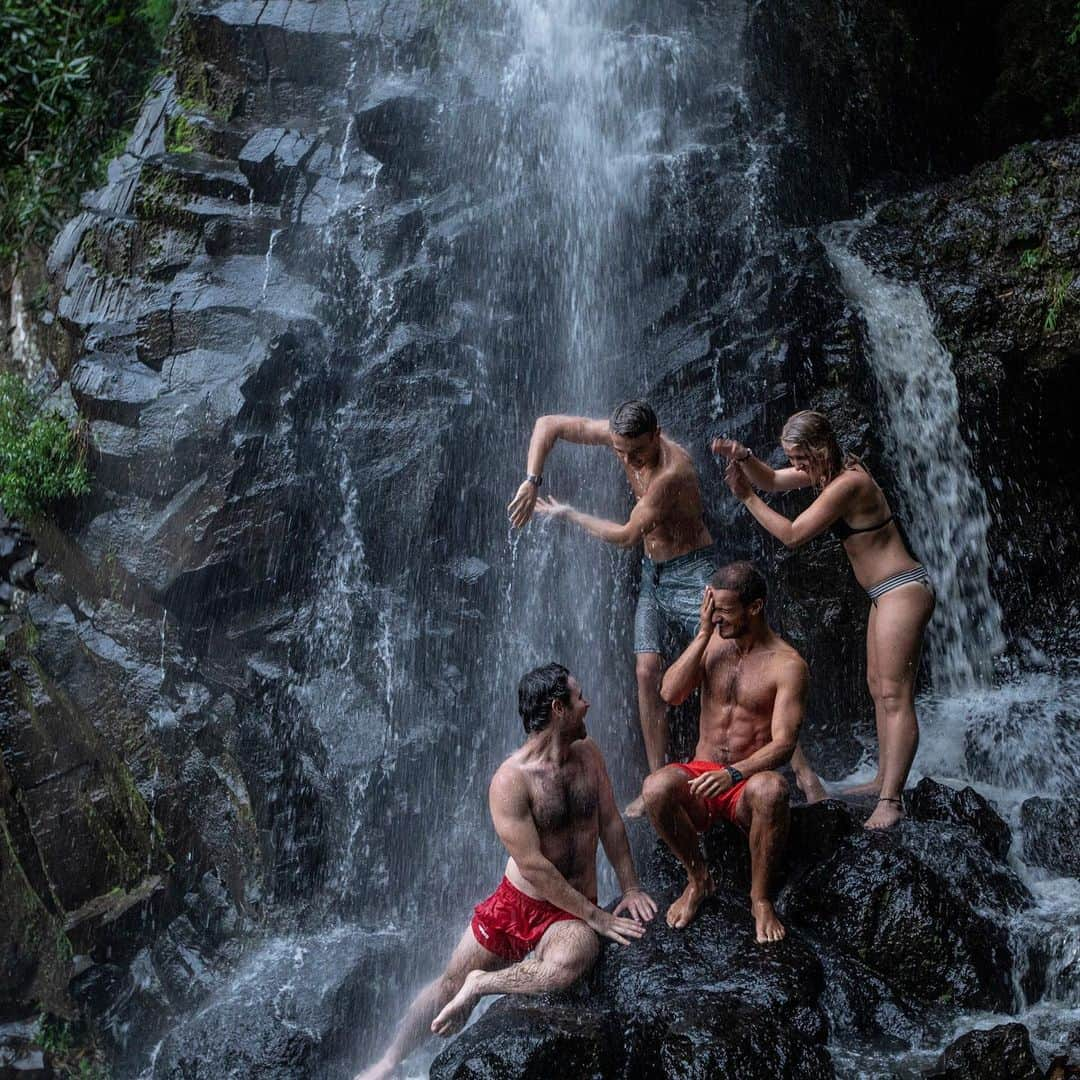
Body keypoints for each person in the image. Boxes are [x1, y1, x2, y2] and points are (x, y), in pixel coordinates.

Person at [353, 663, 657, 1080]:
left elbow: (610, 824)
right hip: (518, 903)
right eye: (579, 698)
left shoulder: (590, 756)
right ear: (558, 709)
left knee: (576, 957)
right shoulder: (511, 781)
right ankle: (387, 1061)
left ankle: (482, 985)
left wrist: (631, 888)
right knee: (446, 983)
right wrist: (598, 916)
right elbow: (534, 868)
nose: (588, 704)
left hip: (568, 913)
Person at [713, 410, 935, 830]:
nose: (795, 466)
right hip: (883, 595)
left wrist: (745, 498)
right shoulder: (833, 469)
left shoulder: (849, 483)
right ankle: (880, 779)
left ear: (817, 450)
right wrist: (743, 457)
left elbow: (793, 534)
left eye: (798, 457)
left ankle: (891, 800)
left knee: (894, 695)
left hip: (901, 590)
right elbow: (775, 481)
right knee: (877, 688)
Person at [642, 562, 806, 940]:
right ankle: (699, 879)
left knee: (772, 790)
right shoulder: (712, 641)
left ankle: (760, 899)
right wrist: (701, 636)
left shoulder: (787, 665)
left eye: (724, 611)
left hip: (746, 782)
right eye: (710, 608)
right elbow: (669, 694)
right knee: (655, 787)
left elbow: (784, 744)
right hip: (702, 774)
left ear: (755, 607)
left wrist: (734, 773)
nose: (715, 618)